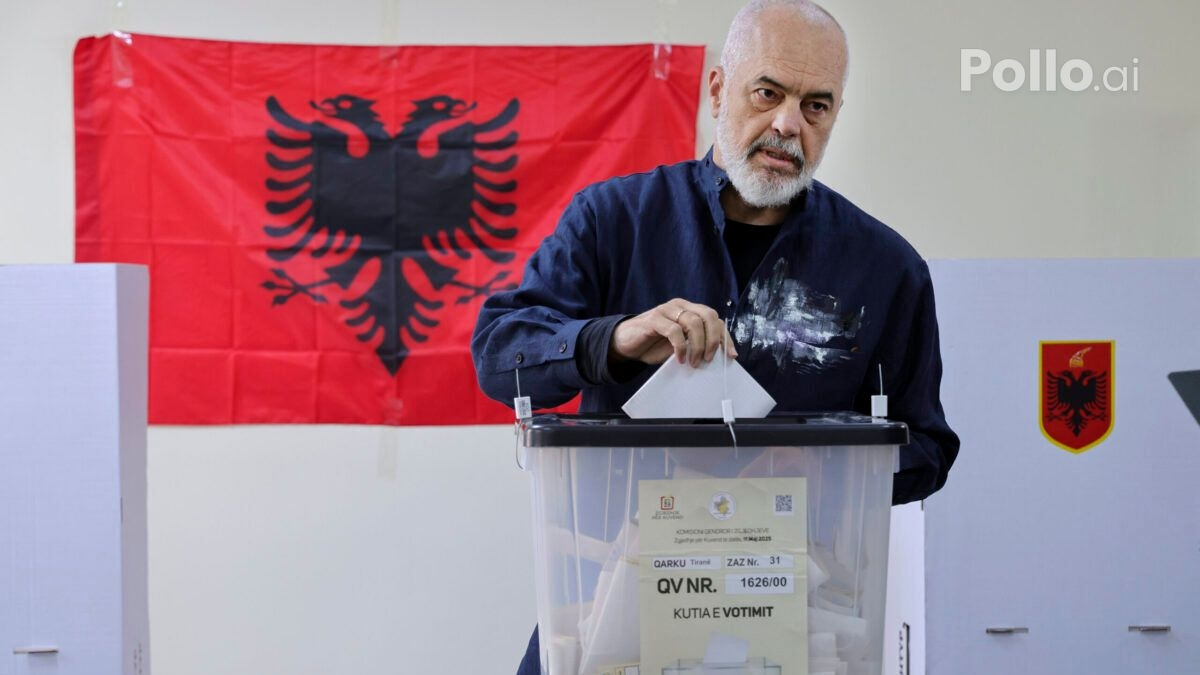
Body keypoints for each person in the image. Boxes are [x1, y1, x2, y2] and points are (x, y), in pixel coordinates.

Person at [471, 1, 959, 673]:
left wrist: (830, 466)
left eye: (816, 106)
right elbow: (499, 354)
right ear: (718, 89)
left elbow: (929, 447)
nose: (788, 124)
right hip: (610, 617)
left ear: (836, 116)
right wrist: (614, 340)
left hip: (797, 623)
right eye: (768, 93)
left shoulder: (886, 269)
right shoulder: (613, 222)